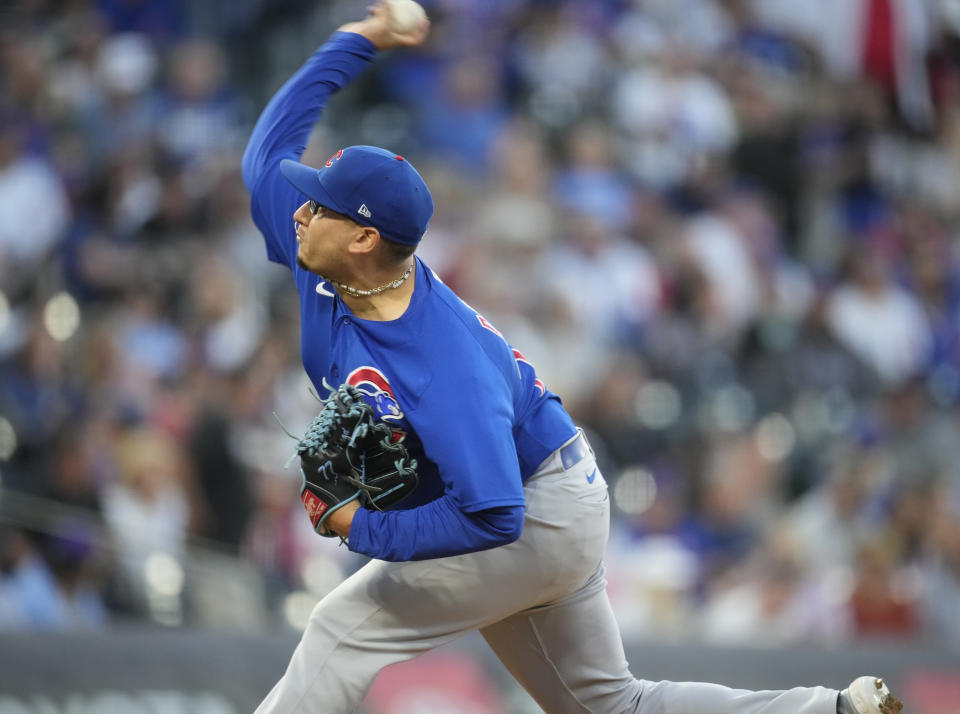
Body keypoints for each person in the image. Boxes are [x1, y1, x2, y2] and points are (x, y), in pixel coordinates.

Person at [241, 4, 903, 714]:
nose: (300, 211)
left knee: (342, 627)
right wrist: (356, 41)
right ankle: (832, 710)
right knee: (611, 706)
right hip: (553, 486)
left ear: (366, 239)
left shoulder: (442, 363)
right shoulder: (324, 258)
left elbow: (494, 515)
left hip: (535, 511)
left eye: (320, 207)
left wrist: (360, 528)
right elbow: (265, 155)